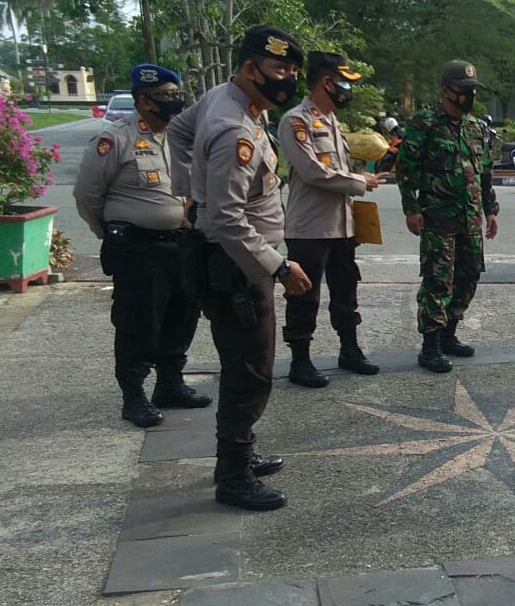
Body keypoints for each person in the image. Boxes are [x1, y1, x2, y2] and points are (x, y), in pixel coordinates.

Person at [167, 25, 312, 511]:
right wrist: (279, 266)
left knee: (246, 365)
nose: (287, 80)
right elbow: (227, 219)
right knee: (251, 370)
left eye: (292, 71)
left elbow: (178, 132)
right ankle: (233, 476)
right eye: (278, 70)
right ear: (250, 69)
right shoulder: (235, 131)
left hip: (237, 259)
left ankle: (239, 455)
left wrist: (193, 189)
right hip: (240, 268)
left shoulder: (224, 99)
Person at [74, 63, 211, 430]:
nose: (174, 103)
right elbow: (87, 194)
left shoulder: (181, 137)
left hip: (181, 245)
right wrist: (112, 232)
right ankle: (134, 395)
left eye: (175, 96)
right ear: (143, 101)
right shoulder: (115, 139)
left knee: (182, 316)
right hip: (139, 250)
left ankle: (170, 384)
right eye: (165, 97)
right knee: (139, 323)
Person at [278, 52, 387, 388]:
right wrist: (360, 182)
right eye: (344, 83)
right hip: (310, 228)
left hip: (342, 226)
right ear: (327, 81)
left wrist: (358, 175)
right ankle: (300, 360)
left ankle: (349, 350)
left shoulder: (332, 122)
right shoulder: (296, 121)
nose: (346, 90)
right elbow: (313, 172)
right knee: (304, 294)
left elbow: (337, 168)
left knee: (345, 289)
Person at [397, 59, 499, 373]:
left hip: (469, 218)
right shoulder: (425, 122)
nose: (468, 96)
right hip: (437, 217)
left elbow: (484, 172)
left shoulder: (476, 127)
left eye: (472, 90)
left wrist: (491, 210)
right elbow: (407, 168)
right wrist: (411, 208)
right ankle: (430, 346)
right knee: (438, 280)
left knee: (469, 276)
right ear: (446, 91)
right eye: (463, 90)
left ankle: (449, 334)